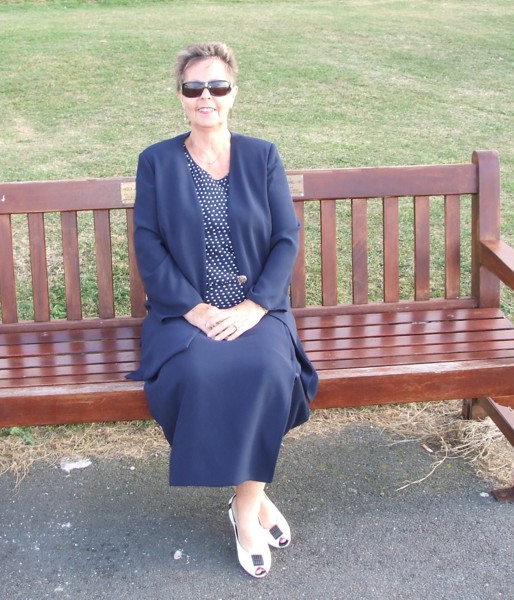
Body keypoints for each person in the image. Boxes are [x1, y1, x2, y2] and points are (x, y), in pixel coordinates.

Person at [127, 42, 318, 579]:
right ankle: (253, 498)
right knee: (197, 371)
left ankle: (244, 508)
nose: (205, 97)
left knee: (268, 369)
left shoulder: (262, 156)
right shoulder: (157, 161)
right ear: (181, 96)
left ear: (234, 93)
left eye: (216, 87)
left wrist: (257, 307)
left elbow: (285, 238)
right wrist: (192, 309)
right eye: (194, 88)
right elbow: (148, 246)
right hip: (183, 312)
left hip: (257, 310)